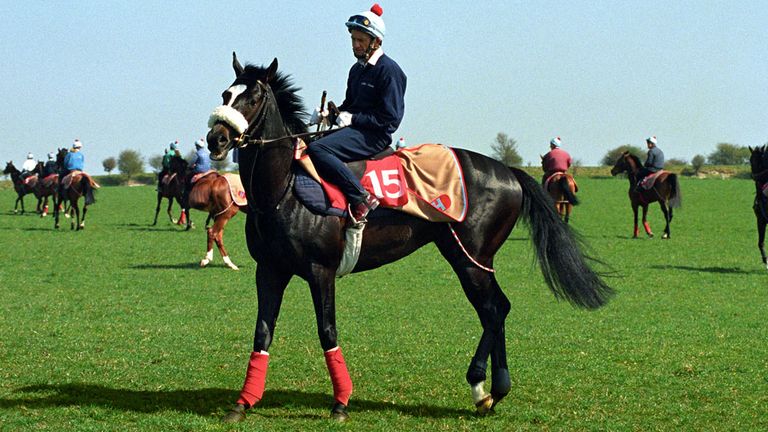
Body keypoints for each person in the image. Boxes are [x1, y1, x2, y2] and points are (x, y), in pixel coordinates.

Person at [306, 3, 407, 222]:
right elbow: (350, 106)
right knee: (308, 143)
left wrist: (353, 118)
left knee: (318, 148)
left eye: (361, 40)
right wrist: (328, 115)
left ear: (376, 41)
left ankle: (361, 198)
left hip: (375, 136)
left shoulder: (389, 70)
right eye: (353, 39)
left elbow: (390, 119)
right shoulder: (356, 70)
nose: (355, 45)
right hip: (357, 130)